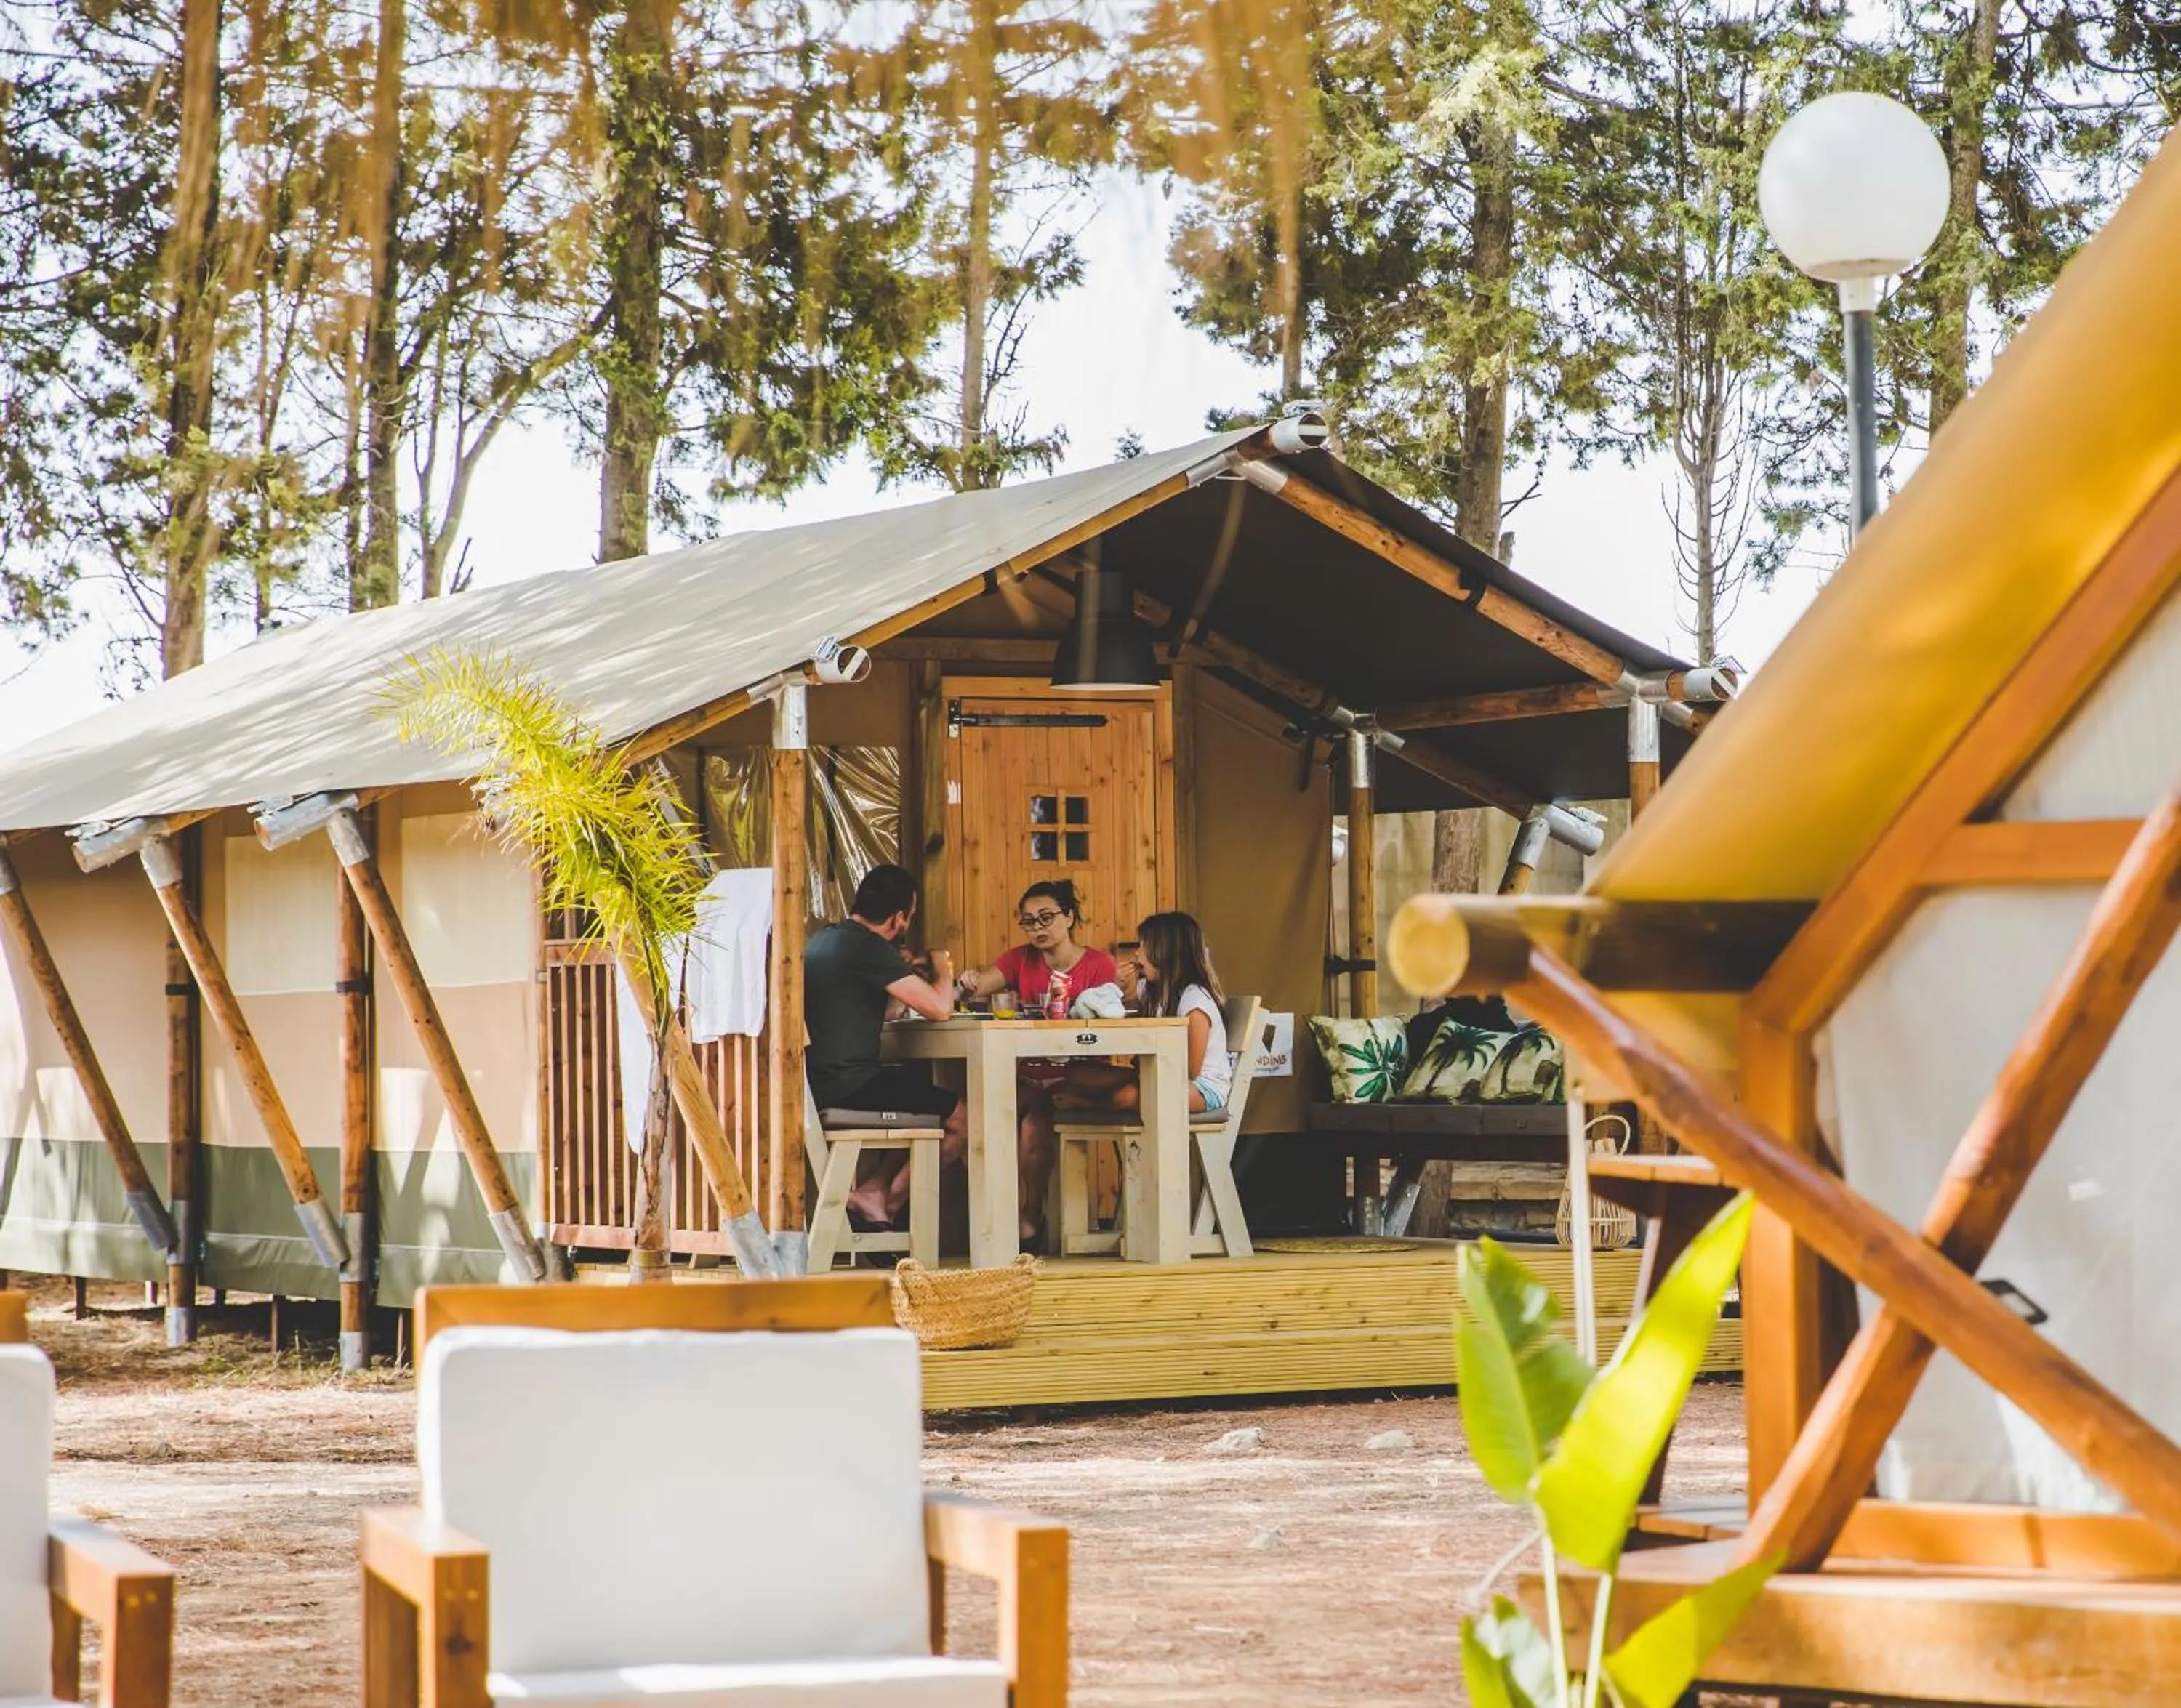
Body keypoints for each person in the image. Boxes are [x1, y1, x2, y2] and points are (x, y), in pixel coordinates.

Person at [954, 880, 1120, 1241]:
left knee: (1034, 1123)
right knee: (968, 1115)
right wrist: (966, 981)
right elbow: (978, 987)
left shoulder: (1099, 964)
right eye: (1029, 922)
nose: (1038, 928)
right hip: (1027, 1076)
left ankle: (1029, 1218)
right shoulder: (1019, 959)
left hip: (1079, 1076)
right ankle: (1004, 1212)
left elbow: (1111, 1021)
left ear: (1069, 917)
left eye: (1046, 918)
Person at [803, 864, 963, 1229]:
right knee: (962, 1120)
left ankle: (873, 1193)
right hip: (849, 1085)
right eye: (909, 918)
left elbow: (890, 1011)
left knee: (917, 1098)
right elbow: (940, 1009)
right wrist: (943, 964)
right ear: (899, 917)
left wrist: (905, 972)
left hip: (820, 1082)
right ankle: (886, 1203)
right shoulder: (867, 947)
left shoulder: (825, 938)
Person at [1061, 911, 1230, 1115]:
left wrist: (1141, 1070)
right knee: (1077, 1073)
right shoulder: (1153, 990)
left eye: (1142, 945)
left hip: (1201, 1088)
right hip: (1159, 1073)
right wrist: (1119, 985)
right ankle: (1112, 1094)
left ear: (1163, 952)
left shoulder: (1196, 1001)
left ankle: (1089, 1105)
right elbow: (1114, 1008)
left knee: (1127, 1095)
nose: (1137, 954)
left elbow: (1191, 1070)